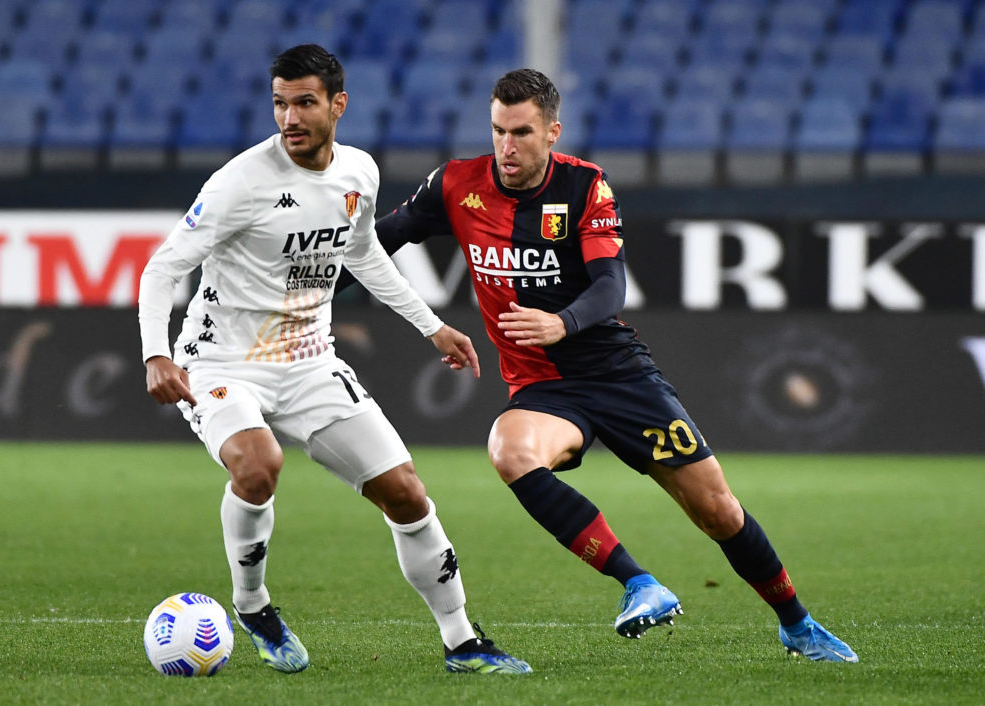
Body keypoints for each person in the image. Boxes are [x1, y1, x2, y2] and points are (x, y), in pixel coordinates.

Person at [337, 68, 858, 663]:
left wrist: (562, 323)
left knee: (716, 509)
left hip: (619, 375)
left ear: (552, 132)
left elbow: (611, 285)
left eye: (523, 133)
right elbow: (376, 245)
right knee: (510, 451)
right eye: (498, 131)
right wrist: (304, 289)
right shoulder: (458, 184)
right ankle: (639, 583)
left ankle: (797, 624)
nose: (507, 147)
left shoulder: (585, 187)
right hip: (544, 387)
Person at [136, 44, 531, 675]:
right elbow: (164, 267)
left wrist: (431, 326)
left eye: (304, 103)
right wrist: (158, 354)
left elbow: (365, 253)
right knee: (258, 466)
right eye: (279, 104)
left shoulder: (359, 174)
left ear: (337, 105)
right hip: (220, 363)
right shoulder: (241, 181)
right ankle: (252, 603)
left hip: (310, 361)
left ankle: (462, 641)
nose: (289, 118)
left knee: (405, 493)